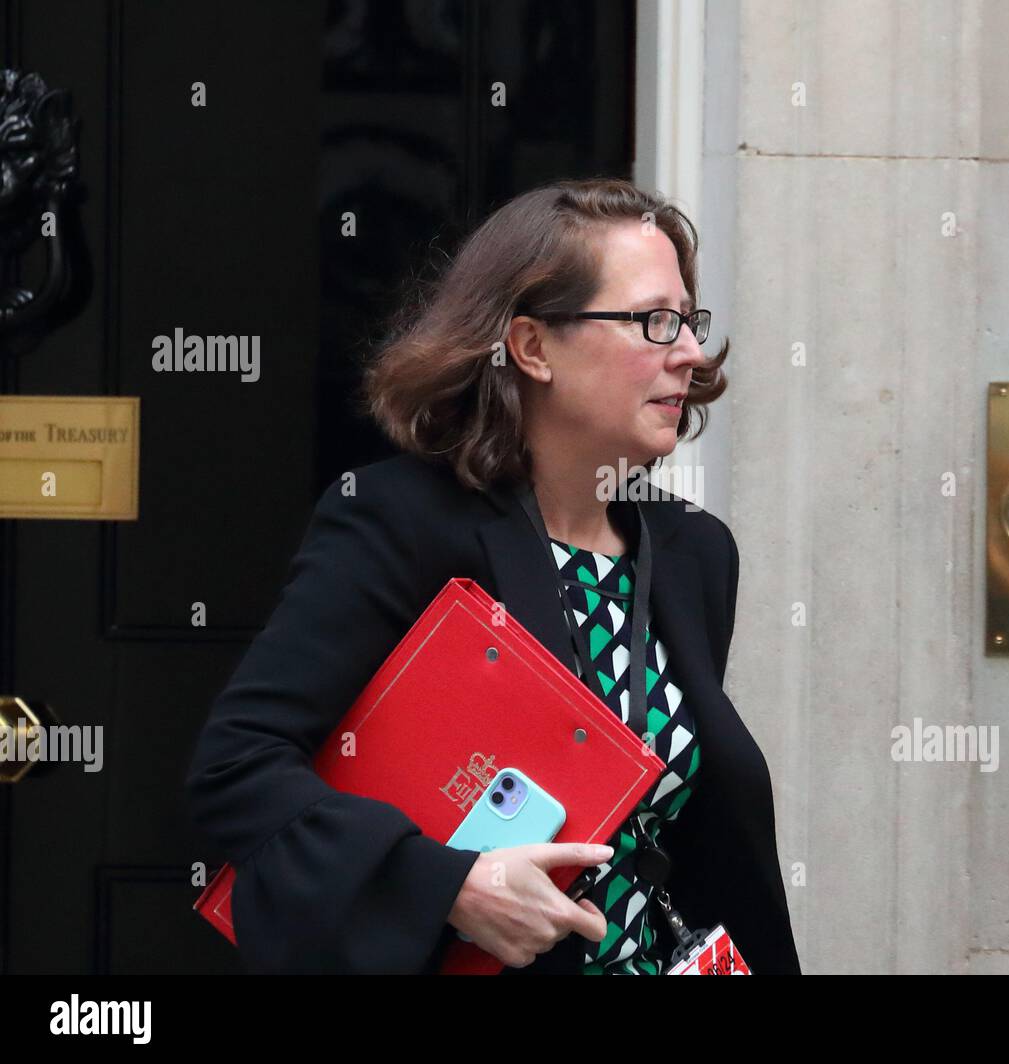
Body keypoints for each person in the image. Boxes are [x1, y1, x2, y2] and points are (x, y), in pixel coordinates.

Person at [184, 176, 801, 975]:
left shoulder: (695, 553)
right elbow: (236, 769)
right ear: (532, 346)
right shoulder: (396, 523)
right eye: (653, 321)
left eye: (688, 320)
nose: (688, 351)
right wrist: (451, 884)